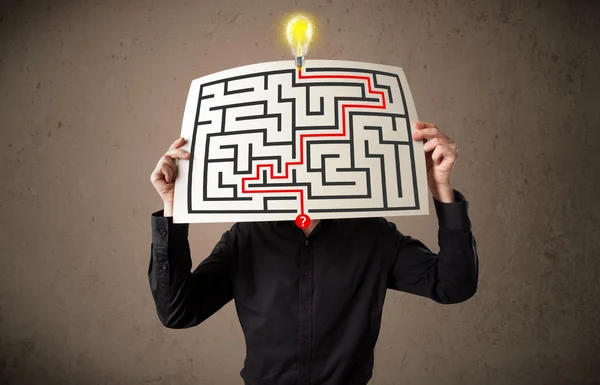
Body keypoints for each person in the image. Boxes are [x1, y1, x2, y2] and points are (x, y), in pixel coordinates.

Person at [148, 121, 479, 385]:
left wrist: (441, 188)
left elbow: (452, 285)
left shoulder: (372, 233)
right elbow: (179, 312)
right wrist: (173, 209)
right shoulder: (247, 235)